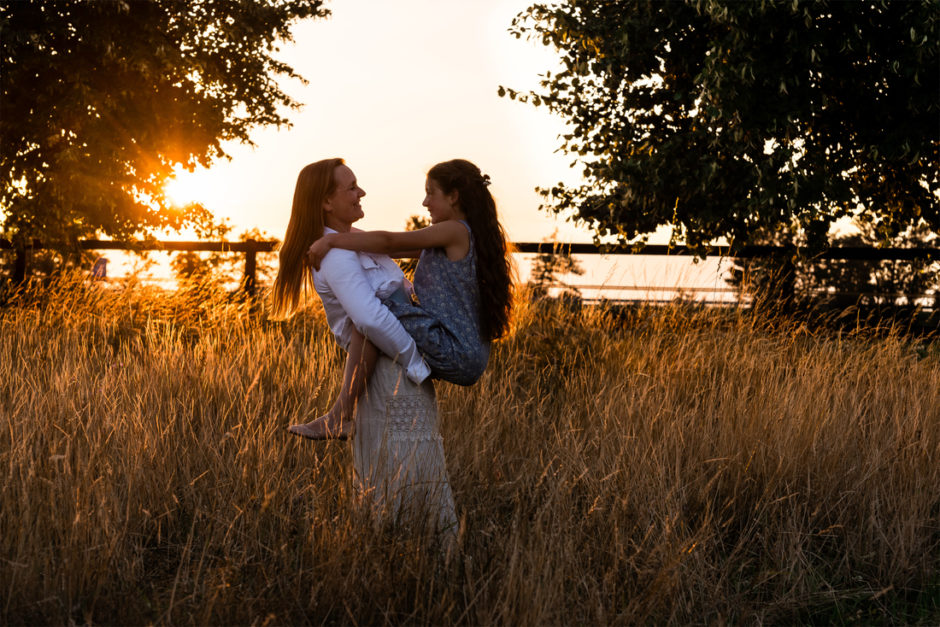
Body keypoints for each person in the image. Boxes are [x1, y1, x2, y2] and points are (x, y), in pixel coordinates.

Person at [271, 158, 456, 534]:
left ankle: (417, 559)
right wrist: (415, 359)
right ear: (326, 202)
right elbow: (368, 318)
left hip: (389, 371)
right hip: (389, 374)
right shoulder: (336, 256)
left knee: (410, 463)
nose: (361, 193)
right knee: (401, 468)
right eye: (352, 187)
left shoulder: (354, 244)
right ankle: (410, 558)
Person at [298, 158, 514, 441]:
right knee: (373, 313)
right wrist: (337, 235)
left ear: (454, 196)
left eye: (430, 193)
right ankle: (340, 414)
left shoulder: (455, 230)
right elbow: (376, 245)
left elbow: (390, 243)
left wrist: (331, 241)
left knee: (371, 313)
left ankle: (340, 414)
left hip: (455, 348)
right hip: (463, 349)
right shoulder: (456, 236)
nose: (425, 202)